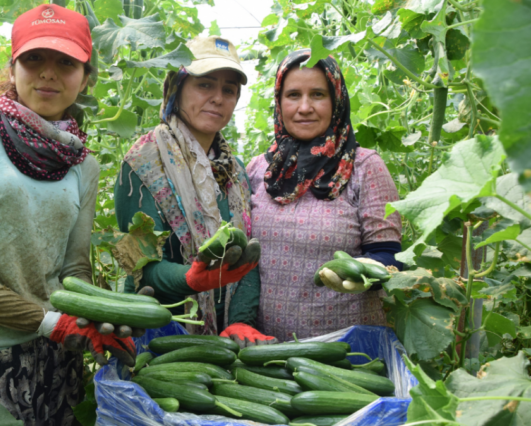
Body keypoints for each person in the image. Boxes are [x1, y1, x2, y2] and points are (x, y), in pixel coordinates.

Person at [0, 5, 135, 424]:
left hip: (58, 359)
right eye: (34, 58)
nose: (48, 73)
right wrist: (47, 322)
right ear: (13, 66)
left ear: (85, 76)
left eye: (66, 62)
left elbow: (73, 267)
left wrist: (107, 315)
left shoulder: (83, 164)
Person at [114, 36, 275, 348]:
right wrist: (191, 279)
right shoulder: (141, 165)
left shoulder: (235, 171)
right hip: (161, 332)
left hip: (223, 342)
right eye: (205, 85)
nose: (218, 98)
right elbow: (139, 267)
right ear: (177, 88)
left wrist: (241, 320)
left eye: (229, 90)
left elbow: (247, 260)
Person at [246, 49, 403, 341]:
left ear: (337, 100)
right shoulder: (258, 169)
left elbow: (391, 255)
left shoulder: (365, 167)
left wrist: (366, 274)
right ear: (279, 103)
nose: (304, 107)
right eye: (293, 95)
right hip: (265, 352)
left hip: (349, 352)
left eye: (318, 94)